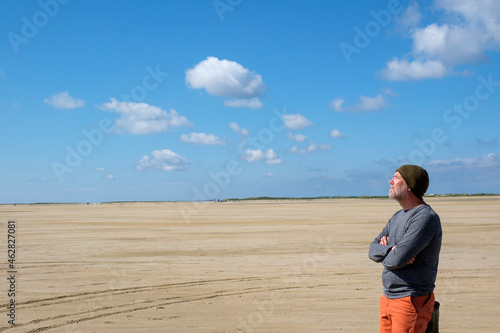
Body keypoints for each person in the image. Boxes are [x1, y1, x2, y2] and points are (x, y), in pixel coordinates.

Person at [369, 165, 442, 333]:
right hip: (388, 296)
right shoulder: (397, 216)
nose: (390, 181)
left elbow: (398, 259)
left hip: (410, 299)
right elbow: (372, 250)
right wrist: (390, 250)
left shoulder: (425, 217)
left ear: (410, 185)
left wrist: (392, 252)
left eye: (396, 177)